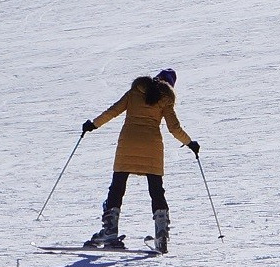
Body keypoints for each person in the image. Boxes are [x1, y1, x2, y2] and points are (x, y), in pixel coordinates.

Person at [81, 67, 198, 254]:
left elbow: (113, 111)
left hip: (128, 144)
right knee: (156, 191)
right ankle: (161, 236)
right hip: (152, 147)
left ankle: (110, 231)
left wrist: (93, 124)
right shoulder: (165, 100)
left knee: (117, 187)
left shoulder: (135, 92)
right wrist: (190, 143)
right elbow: (174, 128)